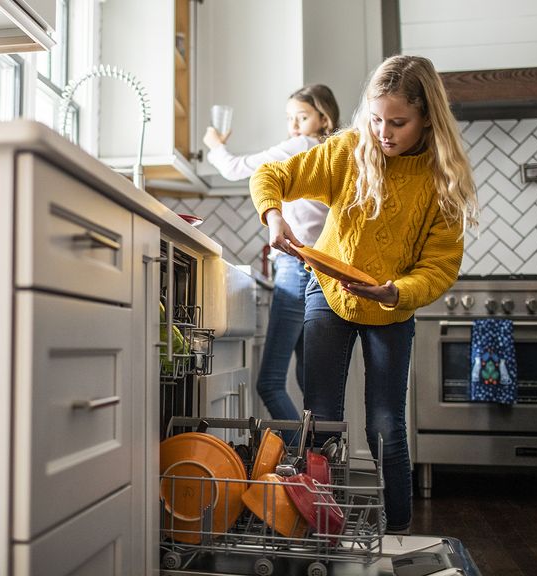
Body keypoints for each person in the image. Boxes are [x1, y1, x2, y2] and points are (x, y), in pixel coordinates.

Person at [249, 55, 479, 534]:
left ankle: (397, 535)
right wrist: (274, 215)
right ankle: (321, 532)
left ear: (427, 119)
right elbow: (270, 177)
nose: (384, 133)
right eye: (376, 119)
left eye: (398, 122)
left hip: (393, 307)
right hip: (328, 294)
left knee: (386, 428)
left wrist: (394, 292)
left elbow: (439, 267)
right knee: (322, 424)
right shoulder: (349, 149)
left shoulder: (441, 180)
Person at [203, 84, 340, 425]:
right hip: (319, 272)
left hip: (296, 270)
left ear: (324, 118)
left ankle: (299, 460)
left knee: (269, 384)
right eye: (290, 118)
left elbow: (237, 169)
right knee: (311, 384)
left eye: (302, 116)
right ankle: (317, 465)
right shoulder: (331, 153)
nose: (294, 126)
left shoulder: (301, 147)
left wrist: (216, 146)